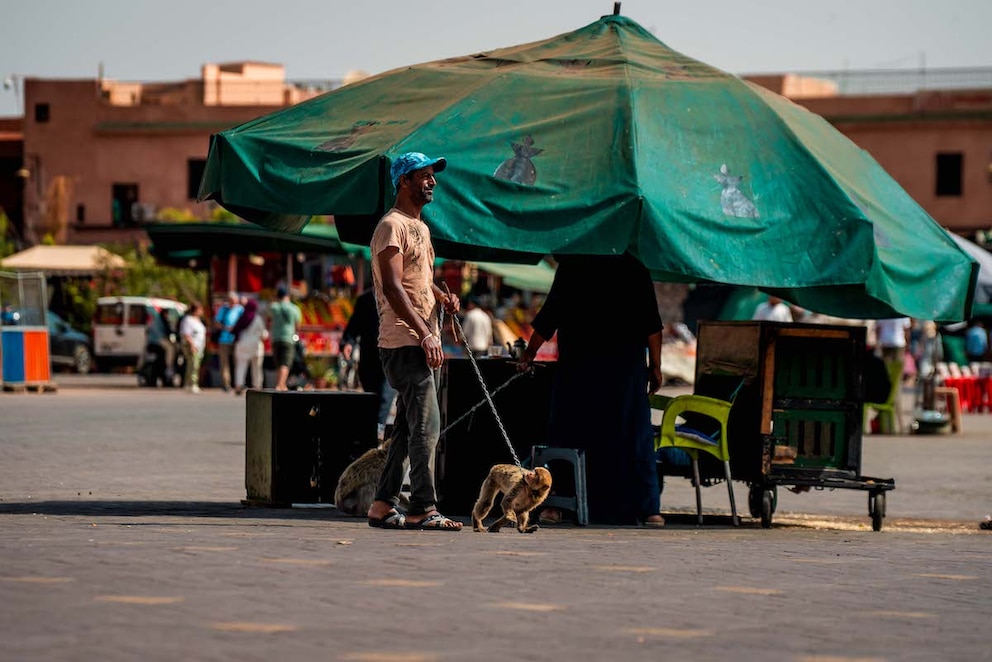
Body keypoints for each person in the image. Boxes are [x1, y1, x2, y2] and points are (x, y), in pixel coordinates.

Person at [517, 253, 666, 527]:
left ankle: (554, 505)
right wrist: (656, 367)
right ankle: (649, 510)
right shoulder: (634, 267)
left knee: (566, 435)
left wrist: (528, 353)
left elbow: (549, 316)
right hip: (625, 373)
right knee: (634, 435)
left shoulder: (573, 265)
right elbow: (653, 326)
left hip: (580, 370)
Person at [366, 151, 462, 531]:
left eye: (432, 176)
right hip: (405, 342)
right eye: (423, 176)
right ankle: (423, 506)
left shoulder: (419, 227)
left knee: (409, 427)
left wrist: (442, 298)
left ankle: (382, 504)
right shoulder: (391, 225)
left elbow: (415, 281)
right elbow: (391, 286)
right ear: (403, 181)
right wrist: (424, 333)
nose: (432, 182)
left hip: (422, 338)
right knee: (427, 426)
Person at [341, 289, 397, 426]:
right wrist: (348, 342)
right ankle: (373, 430)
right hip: (369, 358)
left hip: (390, 356)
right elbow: (353, 326)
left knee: (385, 395)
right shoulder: (366, 299)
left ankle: (379, 428)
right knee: (371, 396)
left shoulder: (398, 295)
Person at [268, 286, 302, 391]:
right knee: (285, 362)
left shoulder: (274, 307)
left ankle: (282, 384)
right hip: (288, 338)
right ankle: (280, 384)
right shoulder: (295, 308)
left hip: (276, 338)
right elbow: (298, 326)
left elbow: (268, 320)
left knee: (279, 362)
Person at [231, 298, 267, 395]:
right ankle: (257, 386)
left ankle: (239, 385)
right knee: (257, 367)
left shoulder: (242, 317)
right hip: (256, 346)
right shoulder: (258, 319)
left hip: (242, 344)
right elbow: (264, 334)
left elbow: (235, 329)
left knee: (241, 365)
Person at [213, 292, 243, 392]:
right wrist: (225, 328)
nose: (233, 304)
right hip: (224, 339)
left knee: (238, 361)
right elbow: (216, 322)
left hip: (236, 339)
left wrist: (236, 329)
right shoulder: (223, 309)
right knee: (224, 363)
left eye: (234, 302)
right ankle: (226, 384)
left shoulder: (240, 309)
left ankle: (238, 383)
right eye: (231, 301)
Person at [179, 301, 206, 394]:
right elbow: (186, 334)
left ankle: (188, 383)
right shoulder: (188, 320)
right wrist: (192, 345)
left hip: (199, 346)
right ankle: (192, 384)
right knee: (193, 365)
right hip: (193, 345)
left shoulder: (198, 320)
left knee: (195, 365)